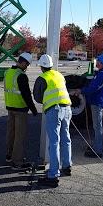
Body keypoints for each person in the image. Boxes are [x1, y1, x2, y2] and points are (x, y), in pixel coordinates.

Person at [32, 54, 72, 187]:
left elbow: (37, 97)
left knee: (54, 142)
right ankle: (67, 166)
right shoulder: (59, 74)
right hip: (67, 108)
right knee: (66, 138)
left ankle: (53, 175)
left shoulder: (42, 78)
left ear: (41, 67)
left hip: (54, 111)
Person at [72, 53, 103, 158]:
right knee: (99, 126)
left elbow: (92, 88)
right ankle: (97, 146)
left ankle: (98, 150)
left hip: (97, 103)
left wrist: (80, 90)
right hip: (100, 102)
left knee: (97, 127)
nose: (97, 63)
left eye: (99, 61)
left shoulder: (102, 75)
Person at [3, 52, 38, 170]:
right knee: (19, 136)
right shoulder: (21, 75)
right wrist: (33, 110)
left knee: (11, 133)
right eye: (27, 65)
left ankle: (9, 155)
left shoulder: (8, 72)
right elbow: (26, 95)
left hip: (10, 107)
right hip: (20, 109)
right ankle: (17, 162)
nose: (26, 67)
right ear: (23, 62)